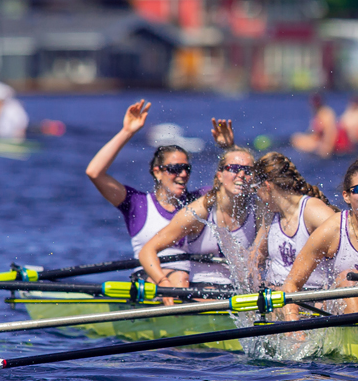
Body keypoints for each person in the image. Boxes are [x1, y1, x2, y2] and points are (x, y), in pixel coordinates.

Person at [86, 99, 201, 287]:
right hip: (149, 282)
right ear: (157, 172)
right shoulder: (137, 204)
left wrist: (228, 148)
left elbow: (233, 187)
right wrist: (127, 132)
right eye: (175, 168)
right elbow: (94, 172)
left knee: (181, 278)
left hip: (188, 282)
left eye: (186, 168)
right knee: (178, 279)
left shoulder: (198, 203)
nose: (183, 174)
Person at [281, 157, 358, 318]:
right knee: (348, 278)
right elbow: (292, 284)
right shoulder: (331, 231)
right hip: (340, 309)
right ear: (346, 196)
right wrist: (295, 330)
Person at [140, 142, 258, 294]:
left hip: (244, 290)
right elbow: (147, 251)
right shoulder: (198, 212)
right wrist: (164, 282)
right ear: (220, 175)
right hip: (204, 291)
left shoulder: (258, 208)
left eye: (247, 170)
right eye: (233, 169)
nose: (241, 175)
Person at [250, 152, 339, 290]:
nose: (256, 195)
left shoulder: (312, 211)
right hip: (278, 298)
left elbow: (345, 250)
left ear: (267, 186)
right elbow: (254, 260)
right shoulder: (269, 217)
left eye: (255, 189)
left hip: (312, 299)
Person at [291, 93, 339, 158]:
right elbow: (313, 132)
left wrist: (327, 149)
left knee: (299, 142)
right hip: (318, 141)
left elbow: (330, 133)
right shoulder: (317, 113)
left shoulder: (326, 113)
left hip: (325, 144)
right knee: (296, 138)